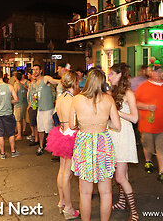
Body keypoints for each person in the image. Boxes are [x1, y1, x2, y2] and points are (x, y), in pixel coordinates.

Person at [69, 68, 121, 221]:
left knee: (85, 192)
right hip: (103, 143)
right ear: (102, 82)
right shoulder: (108, 99)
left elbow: (72, 125)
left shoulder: (77, 99)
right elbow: (117, 126)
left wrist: (84, 125)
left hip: (84, 143)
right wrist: (104, 122)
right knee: (106, 192)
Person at [135, 63, 163, 187]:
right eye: (155, 71)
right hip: (147, 124)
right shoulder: (143, 87)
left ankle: (162, 172)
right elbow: (135, 103)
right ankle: (148, 161)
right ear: (149, 73)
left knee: (162, 149)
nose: (158, 73)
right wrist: (147, 107)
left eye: (160, 71)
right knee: (148, 146)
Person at [45, 71, 80, 219]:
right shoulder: (75, 99)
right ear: (74, 83)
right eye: (78, 82)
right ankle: (69, 208)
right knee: (67, 174)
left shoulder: (60, 98)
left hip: (61, 134)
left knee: (62, 170)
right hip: (71, 135)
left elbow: (54, 117)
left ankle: (61, 201)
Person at [107, 63, 139, 221]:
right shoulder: (114, 92)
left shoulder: (128, 93)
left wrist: (117, 112)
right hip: (114, 135)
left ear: (119, 75)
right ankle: (121, 203)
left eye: (112, 74)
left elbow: (135, 118)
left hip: (124, 136)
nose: (109, 77)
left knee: (119, 177)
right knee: (122, 174)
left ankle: (134, 211)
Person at [32, 64, 61, 156]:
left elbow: (56, 81)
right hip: (40, 110)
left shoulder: (46, 78)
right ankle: (41, 146)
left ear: (41, 71)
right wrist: (35, 99)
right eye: (33, 70)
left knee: (50, 130)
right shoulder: (35, 83)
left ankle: (53, 148)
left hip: (48, 109)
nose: (35, 71)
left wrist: (66, 80)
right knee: (40, 129)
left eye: (37, 69)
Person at [13, 71, 28, 141]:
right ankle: (22, 131)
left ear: (15, 77)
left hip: (18, 104)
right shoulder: (22, 84)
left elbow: (14, 94)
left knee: (18, 120)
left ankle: (19, 135)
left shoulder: (16, 85)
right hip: (24, 104)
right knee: (23, 118)